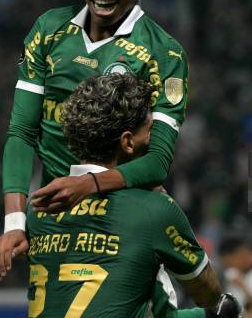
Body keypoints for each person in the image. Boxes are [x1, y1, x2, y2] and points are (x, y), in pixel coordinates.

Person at [0, 0, 189, 281]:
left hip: (124, 225)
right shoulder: (49, 31)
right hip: (55, 227)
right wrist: (15, 222)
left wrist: (87, 185)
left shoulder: (165, 54)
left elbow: (159, 161)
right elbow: (21, 133)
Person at [24, 73, 239, 317]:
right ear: (128, 142)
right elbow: (208, 294)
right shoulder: (153, 209)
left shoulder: (39, 209)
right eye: (150, 131)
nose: (155, 140)